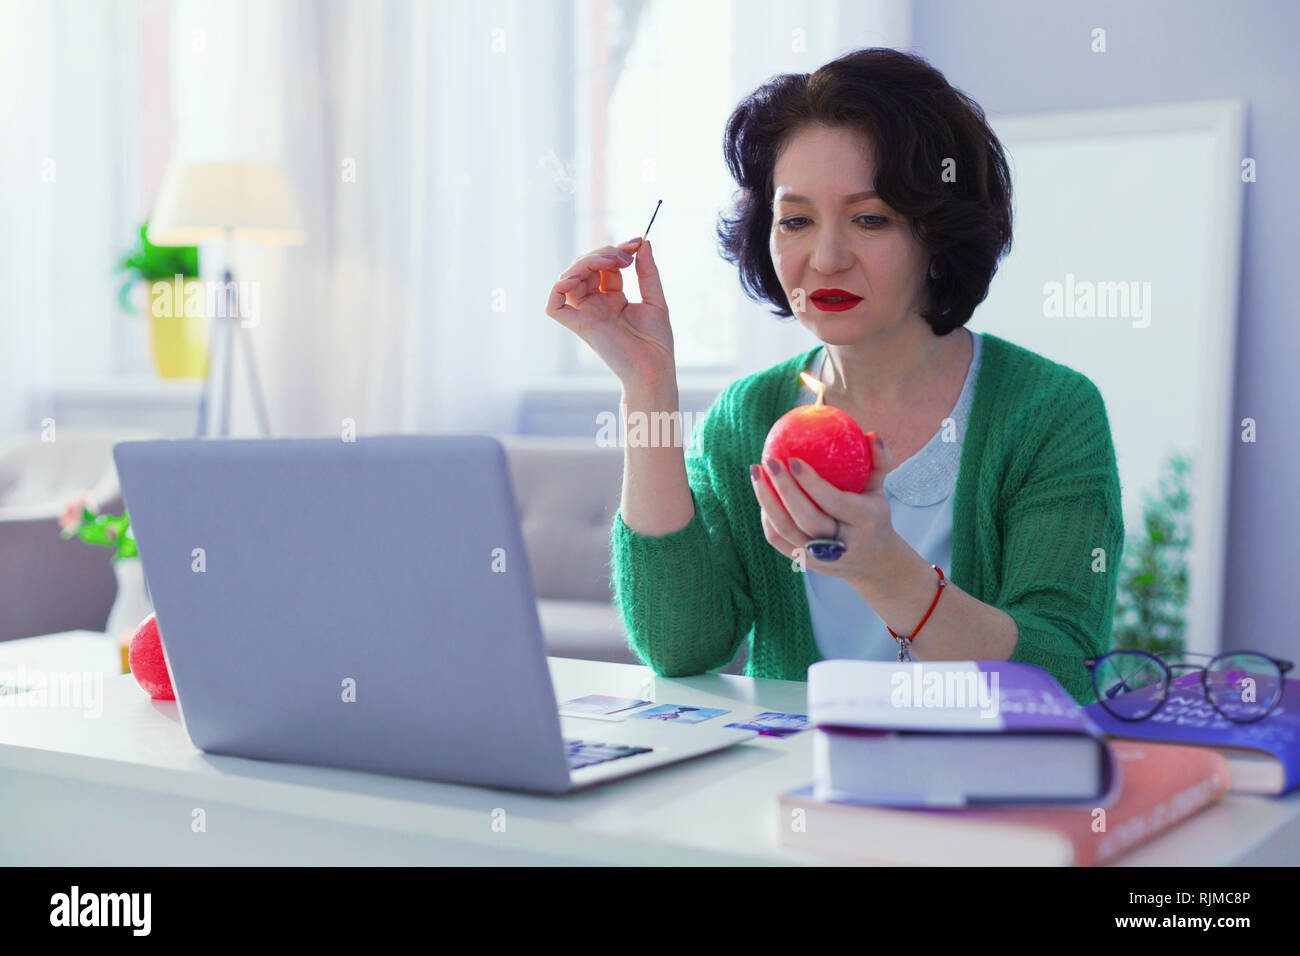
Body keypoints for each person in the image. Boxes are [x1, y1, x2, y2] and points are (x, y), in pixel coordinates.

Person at [545, 48, 1123, 703]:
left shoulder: (1050, 410)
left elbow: (1065, 679)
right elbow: (681, 647)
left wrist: (884, 568)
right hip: (795, 794)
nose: (825, 258)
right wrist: (647, 385)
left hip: (984, 796)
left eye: (870, 219)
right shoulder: (749, 414)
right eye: (796, 220)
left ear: (936, 233)